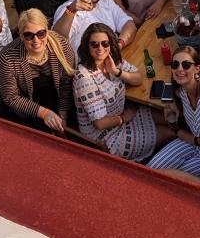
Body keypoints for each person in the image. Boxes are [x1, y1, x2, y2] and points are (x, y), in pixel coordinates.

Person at [73, 24, 170, 160]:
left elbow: (138, 78)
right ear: (87, 47)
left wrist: (116, 72)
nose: (100, 48)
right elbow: (100, 123)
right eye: (94, 44)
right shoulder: (84, 78)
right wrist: (124, 118)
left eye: (104, 43)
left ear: (110, 43)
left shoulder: (112, 60)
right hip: (105, 138)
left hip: (123, 116)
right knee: (170, 132)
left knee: (169, 117)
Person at [147, 46, 200, 178]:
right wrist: (170, 103)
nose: (179, 69)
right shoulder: (182, 89)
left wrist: (191, 139)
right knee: (151, 170)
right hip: (190, 142)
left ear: (197, 68)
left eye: (186, 65)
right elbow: (168, 88)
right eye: (175, 64)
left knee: (167, 179)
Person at [0, 8, 75, 134]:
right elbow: (11, 97)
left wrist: (63, 112)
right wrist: (44, 113)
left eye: (41, 33)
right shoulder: (8, 57)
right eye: (29, 35)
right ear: (21, 35)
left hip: (60, 102)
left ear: (47, 30)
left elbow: (67, 82)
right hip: (28, 112)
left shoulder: (62, 45)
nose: (36, 40)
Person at [52, 0, 136, 62]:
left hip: (116, 60)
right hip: (89, 69)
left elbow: (130, 25)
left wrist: (118, 46)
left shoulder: (107, 3)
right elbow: (56, 40)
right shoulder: (67, 9)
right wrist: (71, 10)